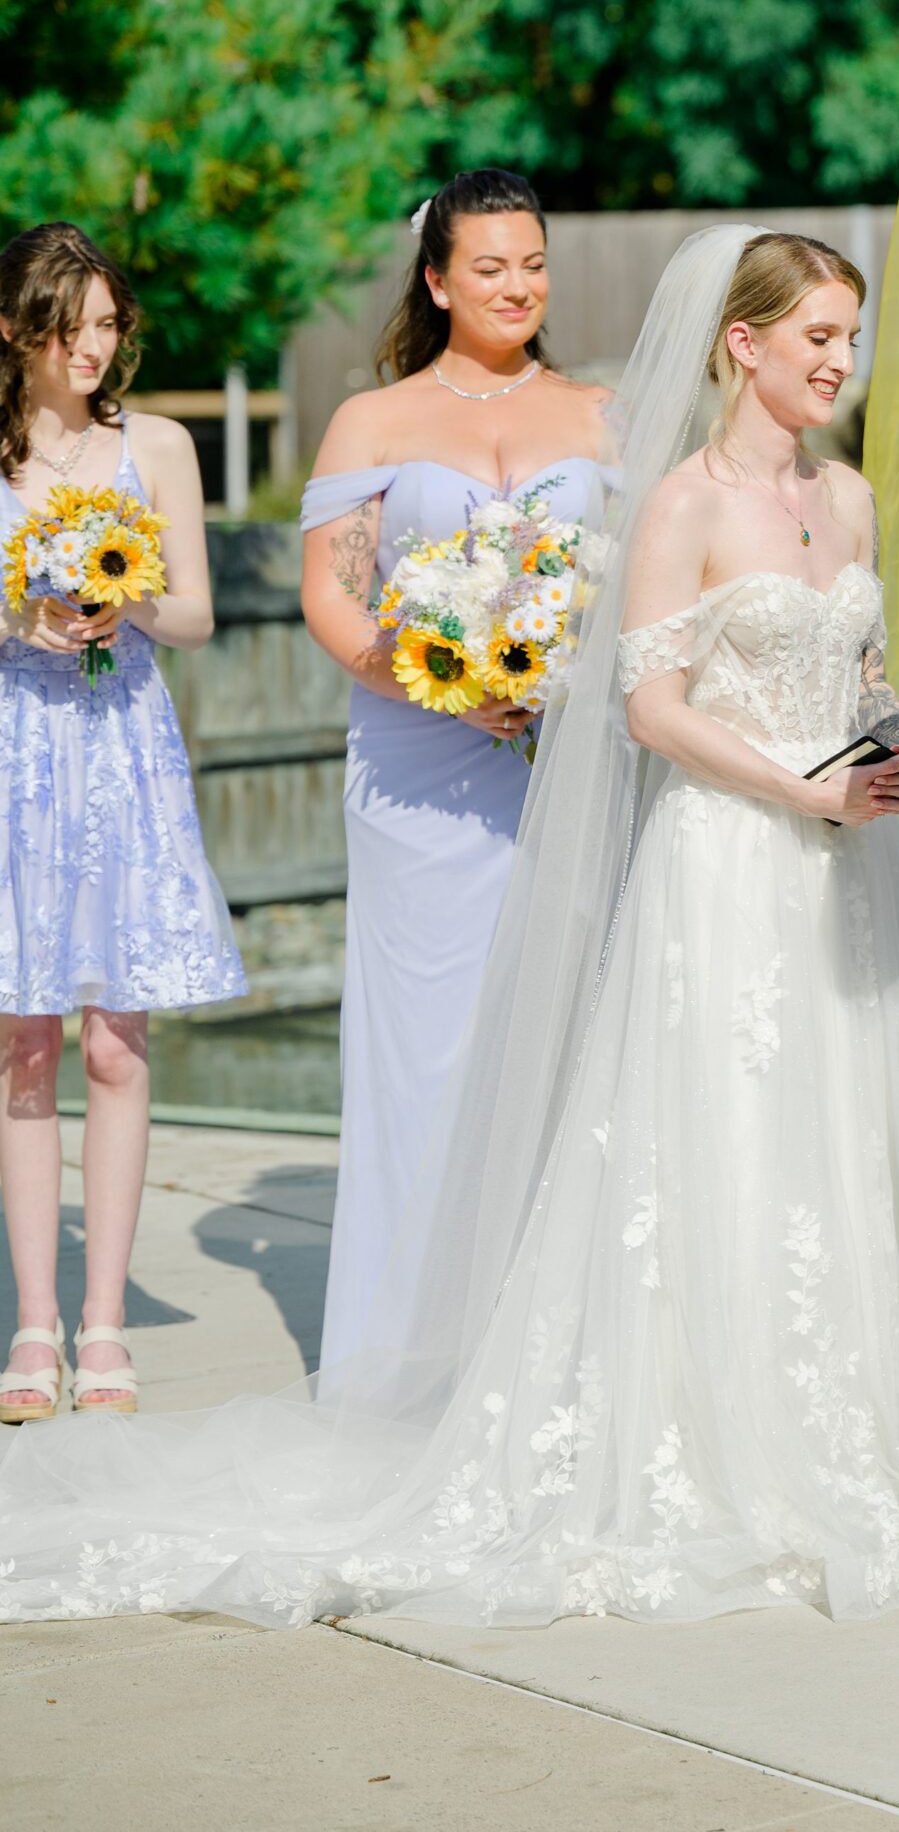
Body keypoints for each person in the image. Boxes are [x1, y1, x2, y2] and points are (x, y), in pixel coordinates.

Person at [0, 221, 899, 1629]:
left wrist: (880, 752)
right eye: (818, 338)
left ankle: (847, 1421)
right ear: (741, 344)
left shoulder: (853, 501)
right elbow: (651, 704)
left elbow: (858, 667)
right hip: (708, 850)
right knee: (714, 1132)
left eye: (847, 340)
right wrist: (787, 778)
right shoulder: (674, 500)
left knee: (841, 1133)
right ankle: (697, 1430)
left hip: (837, 866)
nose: (841, 363)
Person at [300, 170, 615, 1375]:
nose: (516, 286)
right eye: (489, 267)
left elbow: (636, 580)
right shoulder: (373, 423)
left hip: (561, 761)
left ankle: (539, 1346)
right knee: (426, 1044)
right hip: (416, 769)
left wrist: (556, 680)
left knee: (556, 1033)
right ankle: (406, 1350)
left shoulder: (597, 417)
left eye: (531, 262)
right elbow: (334, 592)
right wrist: (432, 678)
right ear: (437, 280)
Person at [0, 223, 244, 1424]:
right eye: (70, 326)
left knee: (116, 1037)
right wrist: (19, 624)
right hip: (15, 754)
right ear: (15, 330)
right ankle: (33, 1325)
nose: (93, 346)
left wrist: (126, 602)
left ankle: (107, 1324)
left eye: (106, 323)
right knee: (23, 1042)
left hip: (122, 750)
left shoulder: (155, 444)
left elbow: (197, 614)